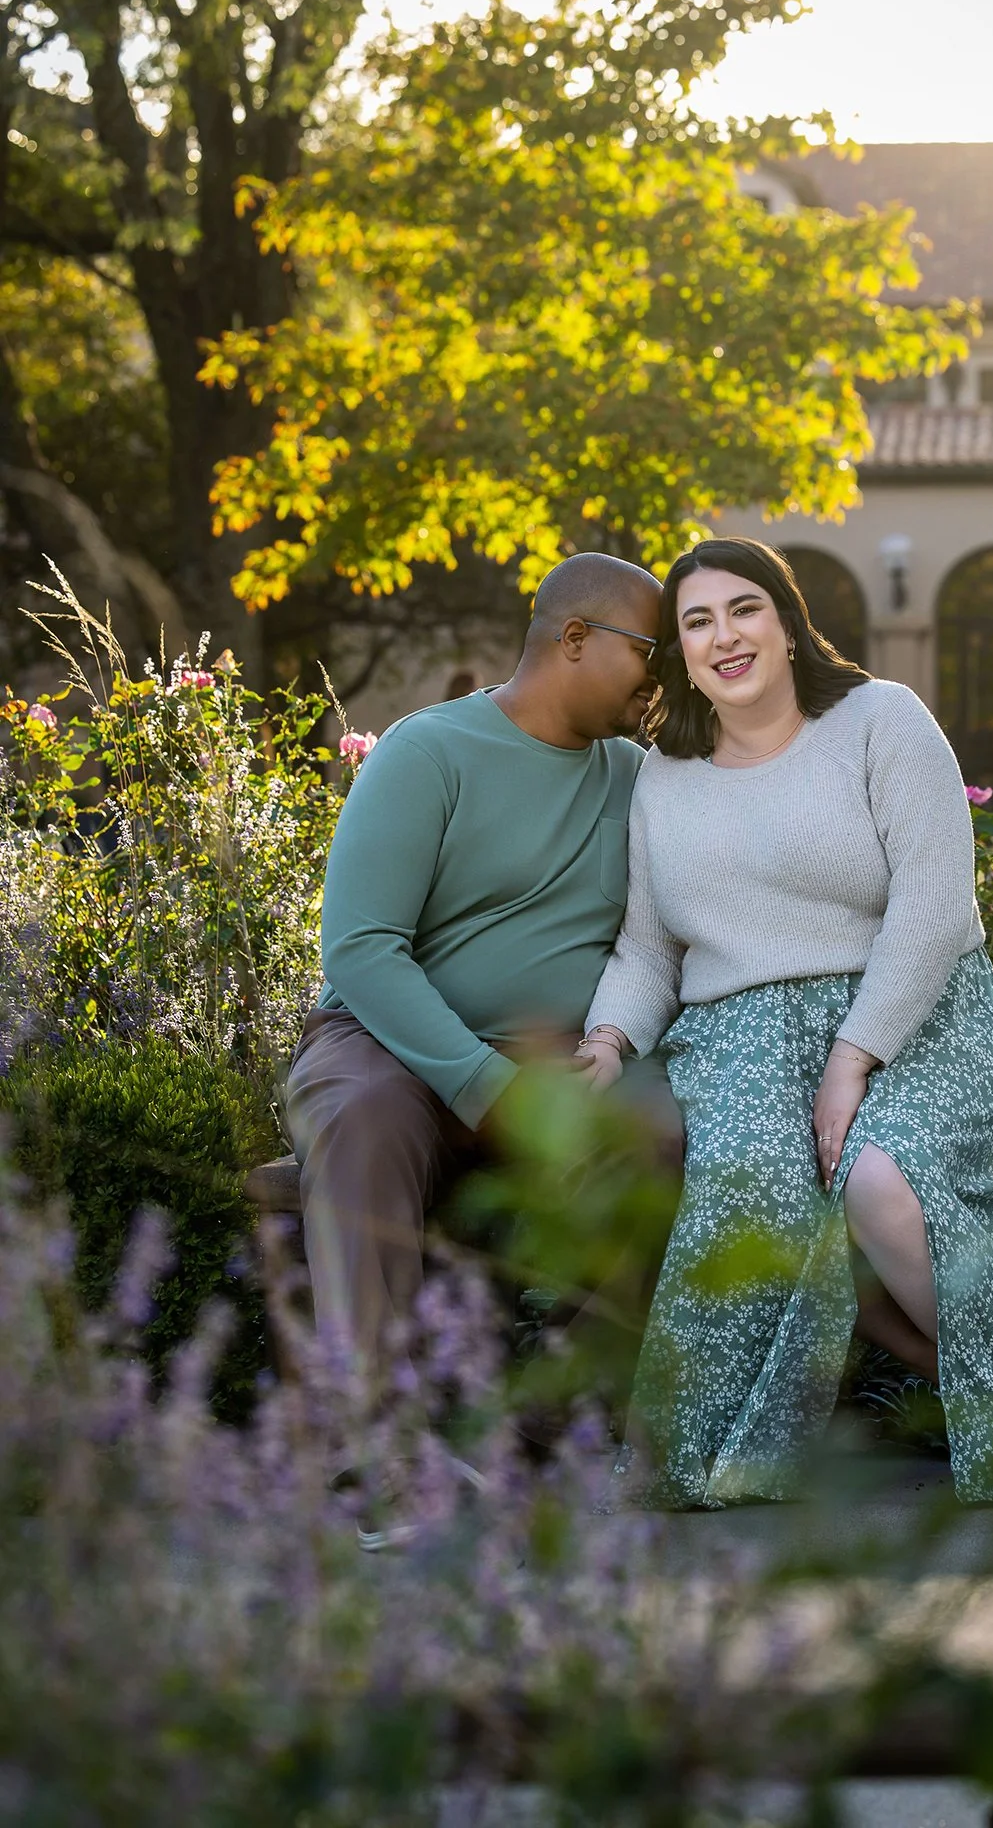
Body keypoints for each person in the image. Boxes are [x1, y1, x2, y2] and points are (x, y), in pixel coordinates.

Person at [578, 537, 993, 1508]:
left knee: (882, 1183)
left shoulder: (878, 720)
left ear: (784, 618)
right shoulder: (664, 777)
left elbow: (935, 903)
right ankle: (716, 1446)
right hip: (741, 1040)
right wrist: (606, 1040)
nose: (722, 636)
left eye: (742, 609)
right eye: (696, 621)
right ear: (677, 651)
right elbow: (649, 949)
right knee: (756, 1198)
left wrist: (853, 1054)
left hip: (915, 1010)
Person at [286, 552, 674, 1524]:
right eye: (649, 654)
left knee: (671, 1128)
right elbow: (362, 948)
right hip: (393, 1043)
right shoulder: (430, 752)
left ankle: (555, 1430)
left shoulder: (637, 776)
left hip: (557, 1061)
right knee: (362, 1111)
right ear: (574, 638)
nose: (660, 679)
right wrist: (481, 1081)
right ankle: (372, 1453)